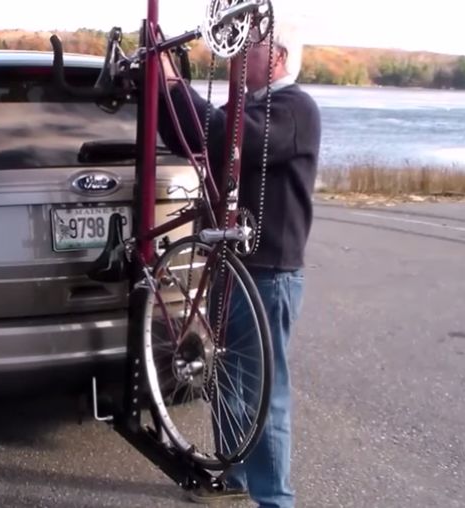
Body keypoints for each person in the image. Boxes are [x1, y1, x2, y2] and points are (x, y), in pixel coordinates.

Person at [157, 17, 322, 508]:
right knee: (225, 378)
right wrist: (164, 88)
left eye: (250, 47)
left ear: (279, 58)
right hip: (236, 270)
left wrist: (171, 82)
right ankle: (234, 475)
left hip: (269, 275)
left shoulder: (295, 109)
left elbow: (224, 135)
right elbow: (196, 131)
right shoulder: (250, 105)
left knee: (263, 395)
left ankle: (275, 499)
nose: (239, 55)